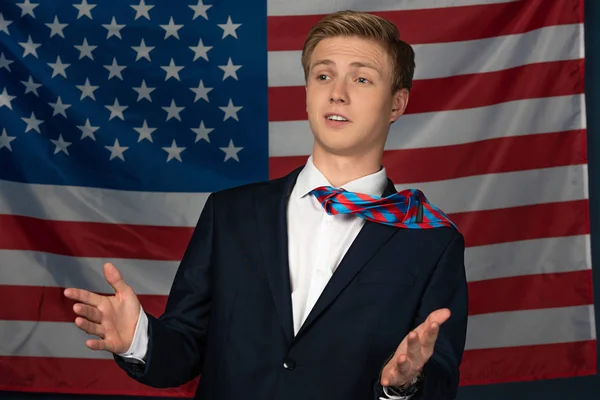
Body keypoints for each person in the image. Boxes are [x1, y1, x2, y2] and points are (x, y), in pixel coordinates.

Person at [64, 10, 468, 400]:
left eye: (362, 79)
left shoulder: (430, 240)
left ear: (397, 104)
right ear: (308, 93)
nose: (338, 93)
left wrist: (404, 384)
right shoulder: (230, 214)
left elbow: (440, 380)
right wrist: (138, 336)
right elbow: (185, 349)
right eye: (323, 75)